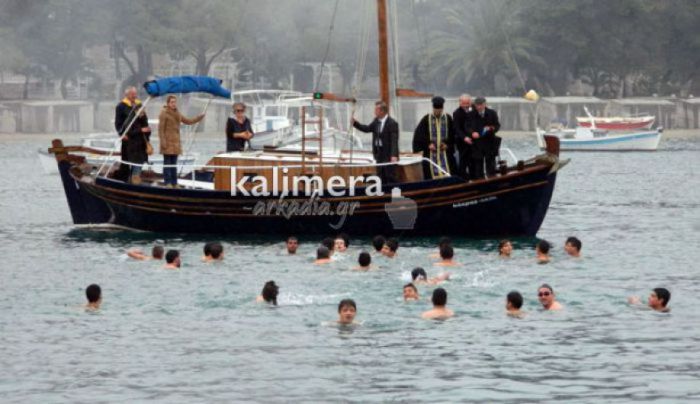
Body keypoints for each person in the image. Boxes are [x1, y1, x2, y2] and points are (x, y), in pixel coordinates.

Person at [158, 95, 205, 187]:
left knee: (174, 164)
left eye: (175, 102)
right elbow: (160, 129)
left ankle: (174, 183)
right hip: (167, 142)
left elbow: (188, 121)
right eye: (172, 102)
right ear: (168, 103)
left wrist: (199, 118)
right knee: (167, 164)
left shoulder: (177, 113)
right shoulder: (164, 113)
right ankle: (168, 182)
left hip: (176, 143)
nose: (174, 104)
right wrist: (163, 142)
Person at [352, 100, 400, 183]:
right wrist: (355, 123)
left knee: (389, 175)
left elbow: (394, 140)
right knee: (380, 174)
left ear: (382, 111)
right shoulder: (376, 122)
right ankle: (382, 193)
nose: (374, 112)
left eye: (376, 110)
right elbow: (367, 129)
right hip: (379, 153)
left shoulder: (392, 123)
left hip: (388, 153)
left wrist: (394, 155)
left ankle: (393, 191)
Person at [413, 96, 456, 179]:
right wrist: (428, 145)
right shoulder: (426, 119)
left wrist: (447, 144)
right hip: (430, 154)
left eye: (439, 110)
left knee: (449, 172)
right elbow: (419, 135)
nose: (437, 112)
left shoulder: (448, 118)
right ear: (433, 108)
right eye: (435, 110)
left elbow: (453, 134)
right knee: (430, 174)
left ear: (442, 109)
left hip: (445, 154)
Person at [114, 86, 151, 183]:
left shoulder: (139, 105)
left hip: (140, 139)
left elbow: (144, 121)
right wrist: (121, 134)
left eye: (135, 94)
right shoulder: (121, 106)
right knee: (128, 160)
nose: (135, 96)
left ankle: (135, 179)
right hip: (129, 139)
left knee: (140, 160)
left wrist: (147, 130)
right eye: (132, 94)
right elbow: (118, 123)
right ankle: (128, 180)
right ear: (127, 95)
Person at [466, 97, 501, 179]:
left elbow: (497, 126)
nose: (479, 107)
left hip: (489, 143)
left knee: (491, 165)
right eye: (477, 105)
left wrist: (491, 128)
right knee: (478, 166)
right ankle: (480, 183)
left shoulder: (492, 113)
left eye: (481, 105)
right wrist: (472, 133)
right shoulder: (470, 114)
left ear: (485, 104)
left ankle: (493, 181)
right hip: (477, 144)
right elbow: (467, 127)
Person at [452, 94, 474, 179]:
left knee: (474, 161)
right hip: (462, 141)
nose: (466, 106)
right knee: (463, 161)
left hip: (474, 141)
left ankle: (475, 178)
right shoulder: (457, 113)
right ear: (460, 103)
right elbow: (457, 128)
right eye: (464, 104)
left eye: (467, 103)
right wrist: (465, 138)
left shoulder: (474, 110)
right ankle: (462, 179)